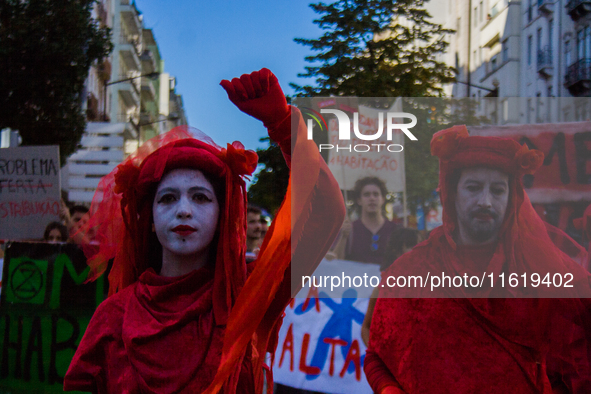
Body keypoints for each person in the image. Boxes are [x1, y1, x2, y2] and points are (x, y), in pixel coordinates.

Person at [62, 68, 345, 393]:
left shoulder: (251, 296)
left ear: (222, 216)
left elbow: (327, 211)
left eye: (200, 197)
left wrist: (283, 124)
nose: (184, 209)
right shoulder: (113, 315)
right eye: (167, 198)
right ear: (151, 220)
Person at [364, 125, 591, 393]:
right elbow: (377, 355)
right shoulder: (411, 270)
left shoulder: (544, 273)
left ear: (511, 198)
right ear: (452, 193)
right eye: (473, 187)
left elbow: (575, 368)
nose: (485, 201)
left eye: (497, 190)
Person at [360, 227, 421, 346]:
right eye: (411, 245)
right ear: (397, 251)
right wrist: (376, 355)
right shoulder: (382, 289)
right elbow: (366, 328)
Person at [331, 176, 399, 265]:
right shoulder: (349, 230)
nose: (372, 198)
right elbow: (336, 262)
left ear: (382, 199)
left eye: (376, 194)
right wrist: (343, 237)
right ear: (359, 200)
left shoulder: (395, 230)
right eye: (367, 195)